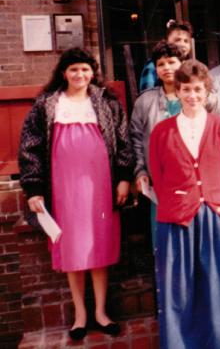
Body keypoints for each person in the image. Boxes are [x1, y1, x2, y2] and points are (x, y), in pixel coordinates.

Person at [19, 48, 134, 341]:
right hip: (63, 189)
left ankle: (101, 312)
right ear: (63, 73)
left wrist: (123, 178)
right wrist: (33, 188)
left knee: (100, 247)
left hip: (101, 187)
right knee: (72, 248)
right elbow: (30, 148)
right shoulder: (47, 104)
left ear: (92, 72)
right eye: (73, 70)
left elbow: (122, 141)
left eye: (84, 69)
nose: (79, 75)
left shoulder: (107, 103)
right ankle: (81, 314)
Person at [149, 60, 220, 349]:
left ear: (207, 91)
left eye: (198, 89)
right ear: (178, 91)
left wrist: (216, 201)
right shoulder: (162, 132)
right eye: (186, 89)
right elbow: (158, 177)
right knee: (178, 292)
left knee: (217, 289)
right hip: (177, 220)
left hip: (216, 216)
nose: (192, 95)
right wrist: (182, 201)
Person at [130, 41, 184, 250]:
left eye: (172, 62)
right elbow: (135, 138)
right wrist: (140, 170)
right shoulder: (145, 101)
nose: (167, 68)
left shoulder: (197, 95)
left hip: (192, 180)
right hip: (158, 183)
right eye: (161, 64)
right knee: (164, 241)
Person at [139, 20, 193, 91]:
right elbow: (147, 97)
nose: (182, 44)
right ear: (167, 41)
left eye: (186, 41)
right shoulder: (154, 64)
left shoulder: (190, 66)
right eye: (177, 40)